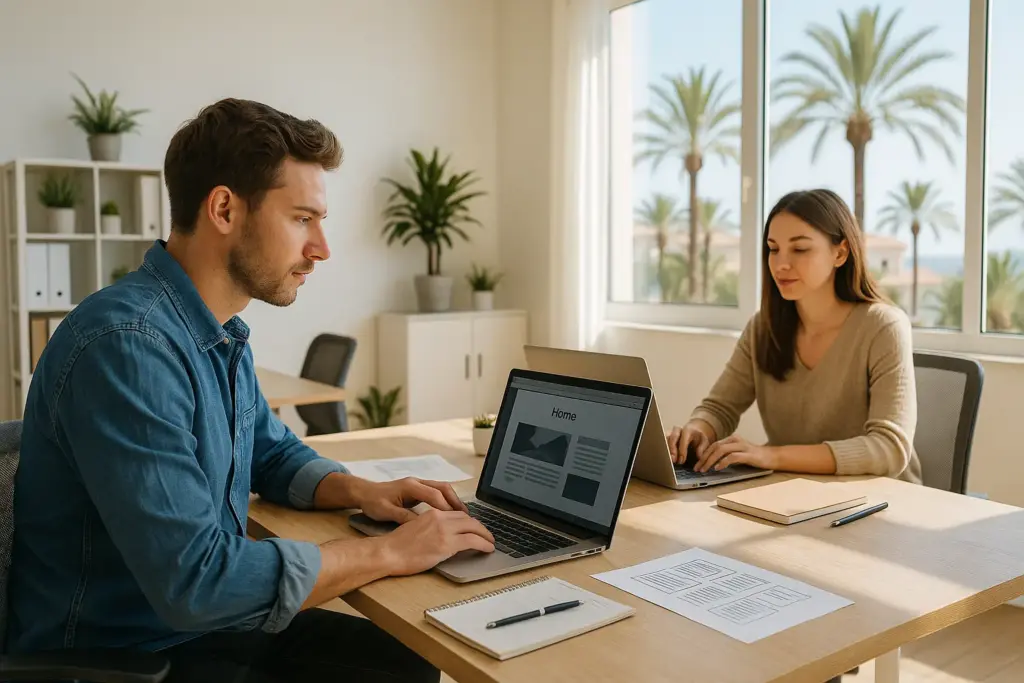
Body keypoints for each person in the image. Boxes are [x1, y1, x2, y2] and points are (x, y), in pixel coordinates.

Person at [8, 98, 495, 683]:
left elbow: (270, 451)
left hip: (197, 632)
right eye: (302, 219)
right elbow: (199, 582)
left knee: (407, 660)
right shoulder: (127, 346)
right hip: (126, 657)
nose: (321, 248)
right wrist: (388, 551)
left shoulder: (217, 334)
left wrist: (363, 491)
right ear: (223, 209)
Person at [667, 188, 922, 484]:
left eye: (800, 249)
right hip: (794, 492)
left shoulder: (883, 326)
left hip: (882, 499)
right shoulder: (763, 328)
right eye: (773, 249)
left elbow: (889, 449)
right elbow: (720, 408)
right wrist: (698, 430)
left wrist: (772, 455)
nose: (781, 264)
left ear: (840, 253)